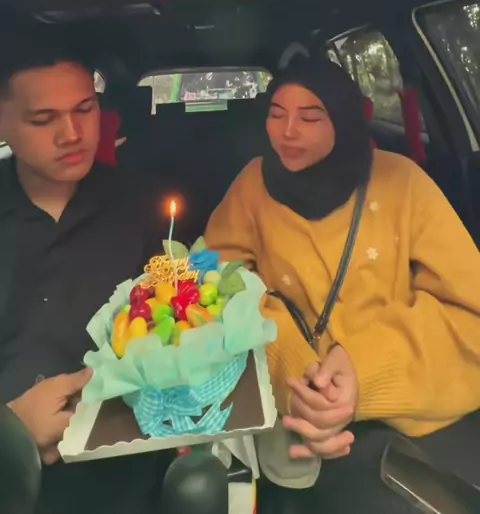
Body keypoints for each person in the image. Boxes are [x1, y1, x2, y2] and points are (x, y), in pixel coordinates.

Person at [205, 59, 480, 513]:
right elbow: (216, 289)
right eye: (277, 114)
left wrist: (363, 370)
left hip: (414, 411)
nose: (287, 131)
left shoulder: (403, 183)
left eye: (310, 117)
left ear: (346, 120)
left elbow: (469, 308)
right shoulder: (253, 186)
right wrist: (291, 369)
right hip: (297, 414)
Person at [0, 29, 173, 513]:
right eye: (43, 119)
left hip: (128, 474)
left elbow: (177, 323)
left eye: (85, 109)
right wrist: (9, 432)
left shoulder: (141, 206)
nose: (72, 134)